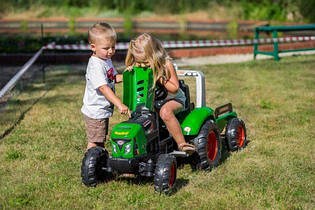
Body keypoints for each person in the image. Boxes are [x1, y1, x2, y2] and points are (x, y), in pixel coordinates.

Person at [125, 33, 195, 154]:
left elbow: (174, 88)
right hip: (153, 100)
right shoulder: (140, 64)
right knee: (138, 113)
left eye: (145, 63)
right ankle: (140, 146)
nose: (142, 66)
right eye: (139, 63)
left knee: (165, 112)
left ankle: (182, 144)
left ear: (154, 55)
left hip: (174, 99)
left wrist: (160, 78)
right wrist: (132, 70)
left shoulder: (166, 64)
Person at [81, 22, 130, 150]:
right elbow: (103, 87)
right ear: (93, 47)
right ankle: (91, 164)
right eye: (106, 48)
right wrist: (119, 104)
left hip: (102, 110)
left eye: (113, 47)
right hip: (95, 111)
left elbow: (114, 78)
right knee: (94, 142)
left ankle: (99, 161)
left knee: (100, 140)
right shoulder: (96, 65)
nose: (110, 51)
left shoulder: (105, 60)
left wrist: (130, 75)